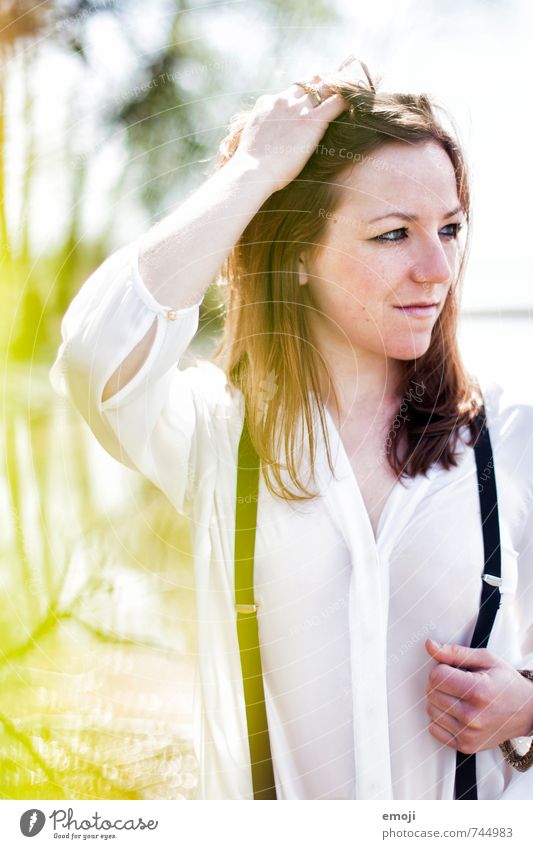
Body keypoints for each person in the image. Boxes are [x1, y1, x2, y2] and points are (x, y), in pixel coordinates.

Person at [49, 55, 533, 800]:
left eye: (449, 227)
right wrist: (253, 171)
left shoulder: (507, 438)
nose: (436, 268)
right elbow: (95, 355)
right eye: (392, 234)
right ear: (300, 256)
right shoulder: (217, 437)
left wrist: (526, 703)